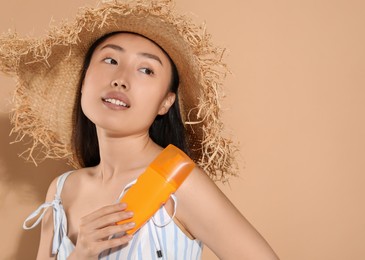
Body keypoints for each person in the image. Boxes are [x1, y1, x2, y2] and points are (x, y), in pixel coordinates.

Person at [0, 0, 279, 259]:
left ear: (165, 102)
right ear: (83, 81)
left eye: (146, 70)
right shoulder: (61, 191)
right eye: (110, 60)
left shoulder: (179, 181)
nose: (121, 79)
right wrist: (81, 252)